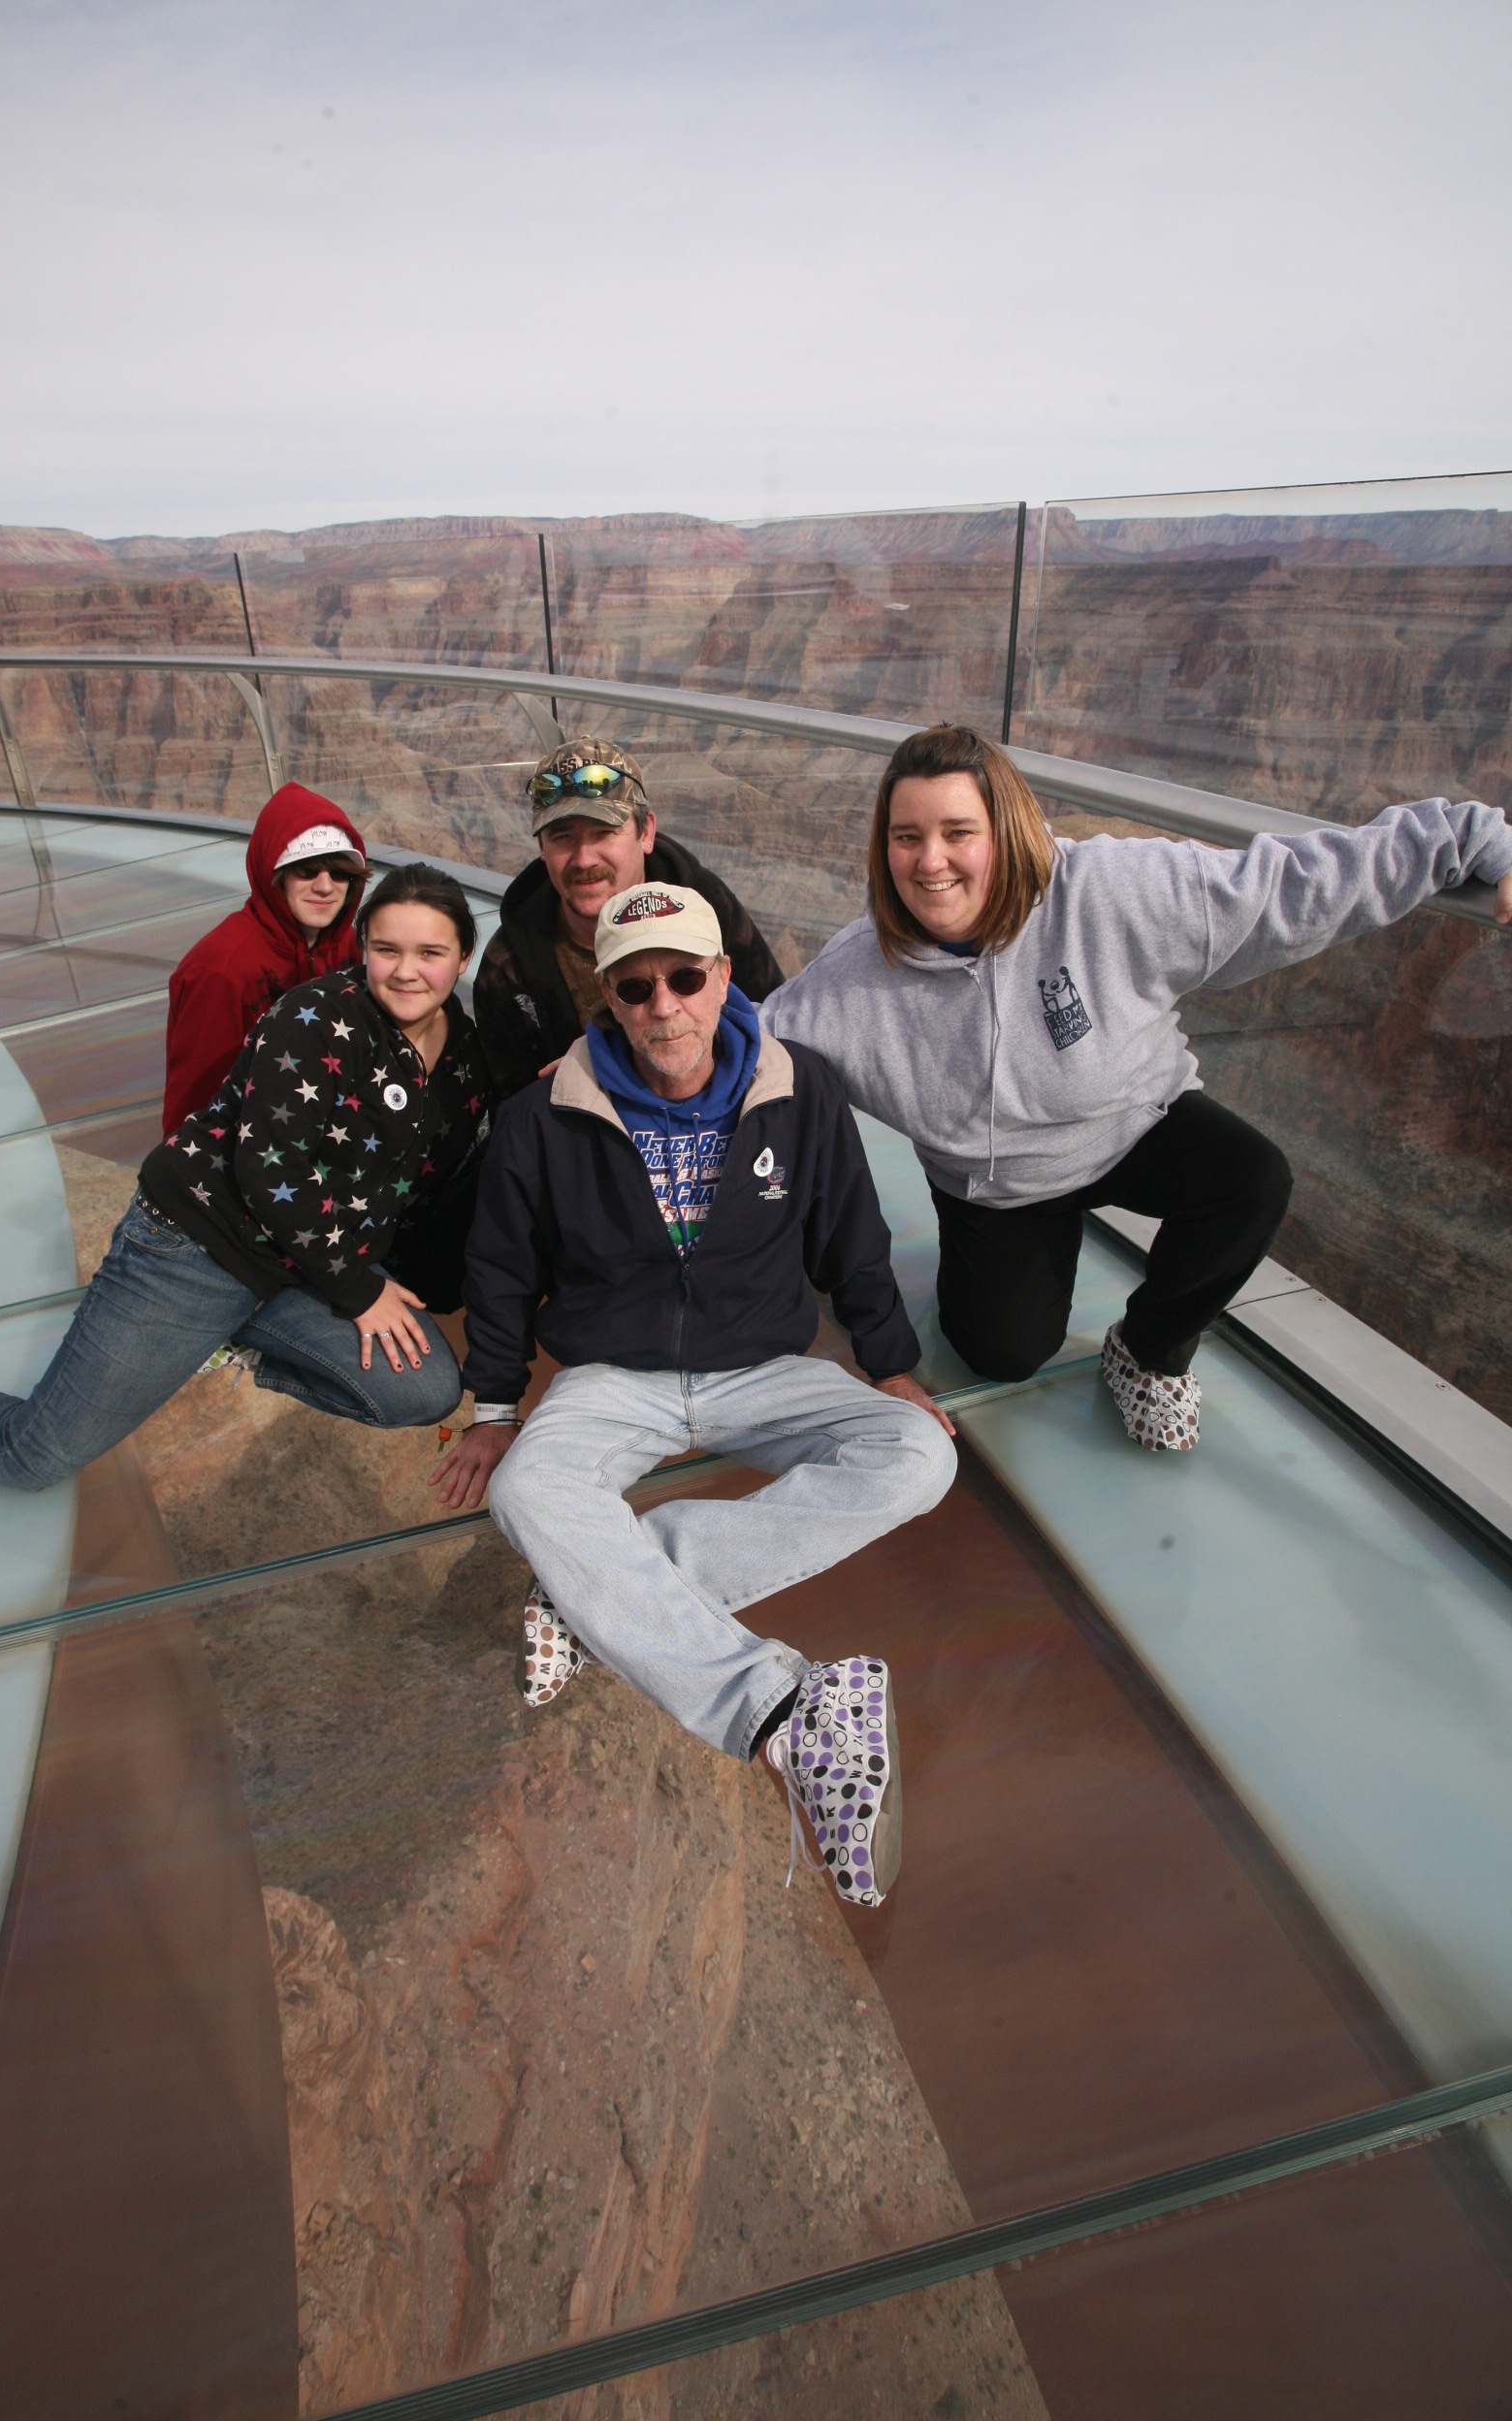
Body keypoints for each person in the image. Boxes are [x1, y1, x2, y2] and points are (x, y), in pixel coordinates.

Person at [762, 723, 1512, 1452]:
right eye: (907, 837)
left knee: (1252, 1179)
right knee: (1001, 1353)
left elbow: (1291, 886)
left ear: (1006, 831)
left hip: (1135, 1122)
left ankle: (1149, 1349)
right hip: (999, 1185)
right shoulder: (852, 985)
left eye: (958, 832)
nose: (931, 861)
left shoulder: (1108, 892)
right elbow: (741, 1048)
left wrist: (1469, 840)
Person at [433, 878, 958, 1909]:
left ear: (723, 979)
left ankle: (598, 1594)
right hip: (611, 1377)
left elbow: (853, 1239)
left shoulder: (800, 1091)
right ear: (609, 998)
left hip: (762, 1367)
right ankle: (785, 1710)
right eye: (635, 987)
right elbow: (499, 1269)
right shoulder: (541, 1118)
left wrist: (891, 1366)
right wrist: (495, 1410)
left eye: (683, 978)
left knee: (919, 1453)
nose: (662, 1005)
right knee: (527, 1490)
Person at [0, 865, 493, 1489]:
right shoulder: (317, 1017)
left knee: (424, 1391)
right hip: (202, 1249)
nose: (405, 971)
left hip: (305, 1266)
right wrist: (358, 1291)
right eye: (386, 950)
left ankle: (233, 1335)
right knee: (31, 1456)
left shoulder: (465, 1057)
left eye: (430, 953)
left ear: (463, 959)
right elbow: (270, 1164)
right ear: (363, 948)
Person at [471, 736, 785, 1097]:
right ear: (542, 847)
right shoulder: (508, 968)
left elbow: (773, 1025)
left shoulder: (708, 906)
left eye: (604, 833)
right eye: (562, 838)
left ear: (646, 832)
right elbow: (515, 1107)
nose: (584, 859)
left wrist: (609, 1061)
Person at [163, 780, 369, 1133]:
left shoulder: (344, 944)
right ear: (274, 874)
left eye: (339, 872)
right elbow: (195, 1103)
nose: (325, 886)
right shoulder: (221, 971)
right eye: (306, 869)